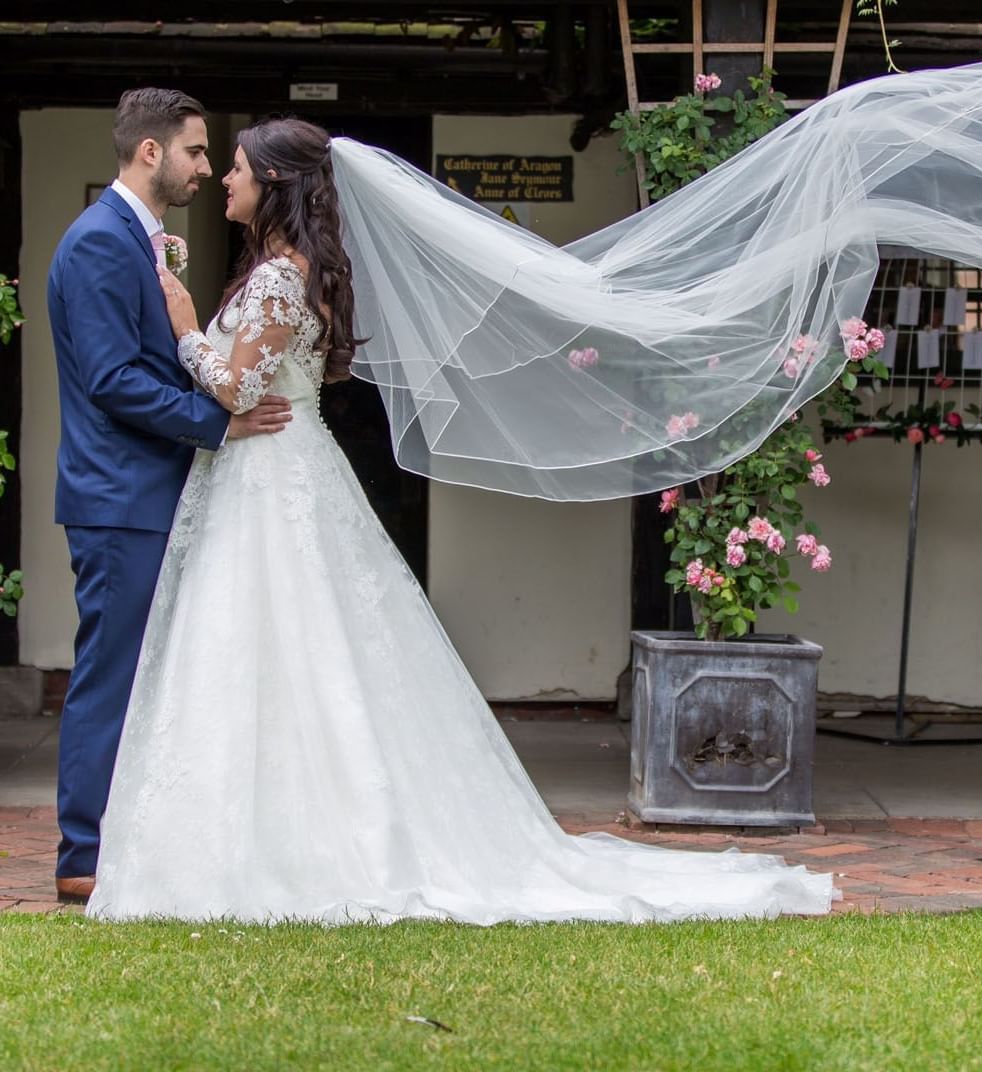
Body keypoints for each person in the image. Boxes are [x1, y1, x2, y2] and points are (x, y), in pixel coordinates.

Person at [86, 117, 835, 924]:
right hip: (270, 473)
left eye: (234, 168)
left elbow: (234, 391)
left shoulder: (277, 278)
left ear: (273, 184)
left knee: (279, 644)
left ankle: (293, 843)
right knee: (282, 651)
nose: (223, 179)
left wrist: (185, 322)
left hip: (270, 475)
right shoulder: (285, 271)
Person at [45, 89, 293, 905]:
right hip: (119, 497)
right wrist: (219, 423)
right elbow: (113, 380)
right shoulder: (97, 246)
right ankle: (81, 855)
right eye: (194, 150)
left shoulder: (144, 241)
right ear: (150, 153)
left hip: (155, 493)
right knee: (111, 677)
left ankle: (129, 841)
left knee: (152, 676)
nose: (204, 167)